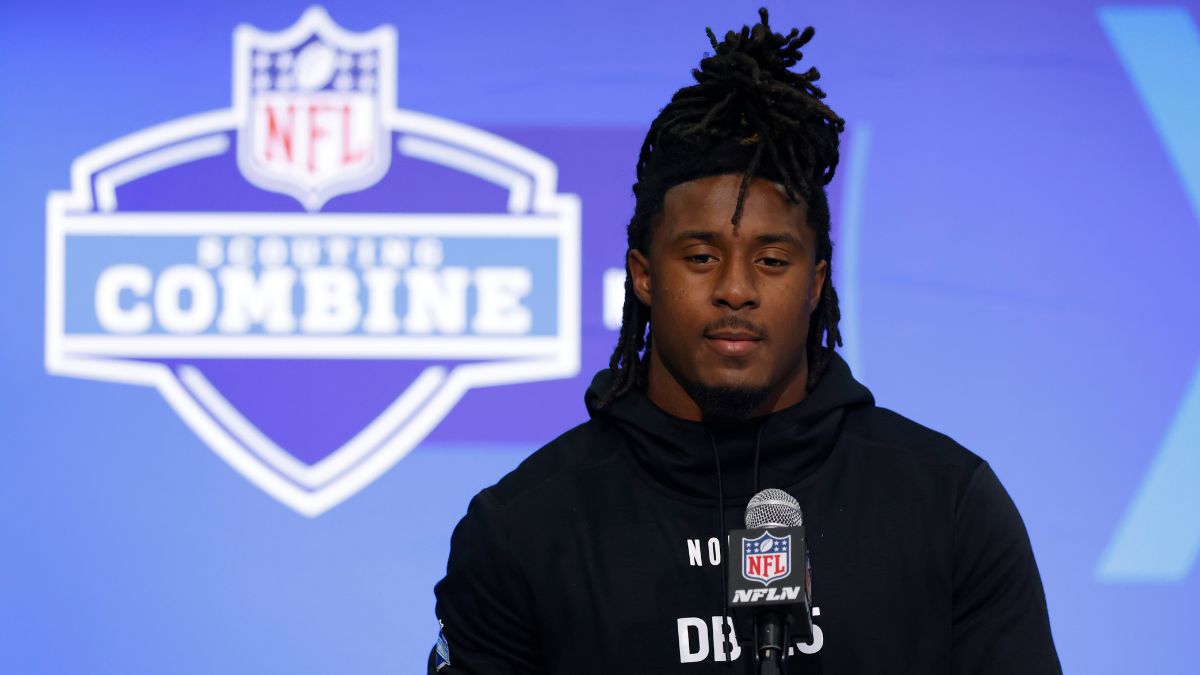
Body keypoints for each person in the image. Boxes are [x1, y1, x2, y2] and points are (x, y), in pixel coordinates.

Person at [429, 9, 1061, 674]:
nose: (736, 289)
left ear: (816, 283)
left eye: (772, 260)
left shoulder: (947, 505)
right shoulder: (524, 530)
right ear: (643, 275)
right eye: (701, 257)